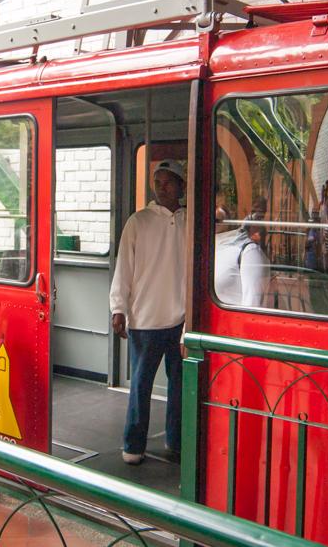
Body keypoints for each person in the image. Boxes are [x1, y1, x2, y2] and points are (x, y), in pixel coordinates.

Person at [109, 158, 186, 466]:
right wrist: (119, 308)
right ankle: (133, 445)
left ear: (181, 185)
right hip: (145, 318)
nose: (161, 186)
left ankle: (176, 441)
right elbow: (123, 268)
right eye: (158, 181)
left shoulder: (188, 221)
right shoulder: (138, 221)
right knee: (141, 386)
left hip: (181, 320)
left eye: (168, 181)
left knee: (180, 388)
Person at [214, 212, 271, 307]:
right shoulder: (205, 247)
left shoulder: (249, 251)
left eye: (216, 220)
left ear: (229, 222)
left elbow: (252, 304)